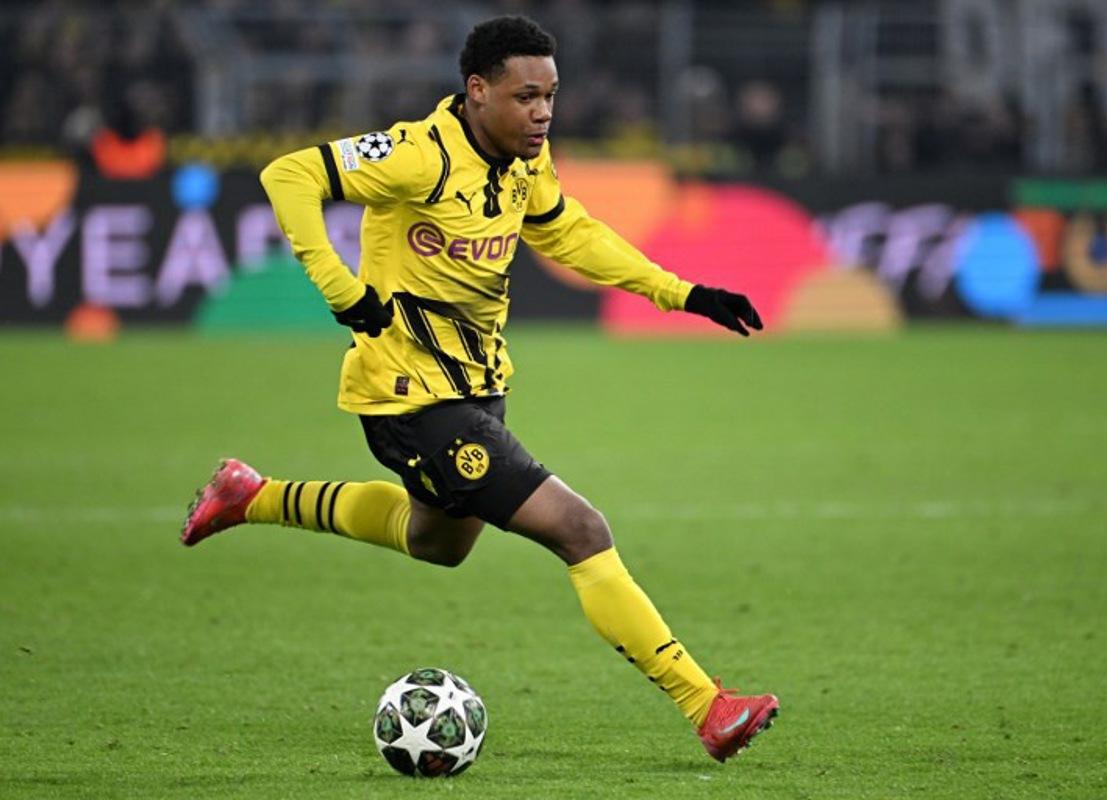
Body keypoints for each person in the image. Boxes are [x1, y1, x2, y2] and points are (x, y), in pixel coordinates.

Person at [181, 15, 776, 763]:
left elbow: (568, 233)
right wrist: (339, 285)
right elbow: (288, 175)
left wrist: (679, 292)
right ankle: (707, 705)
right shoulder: (416, 154)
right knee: (580, 530)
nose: (543, 112)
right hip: (410, 398)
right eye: (526, 96)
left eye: (551, 96)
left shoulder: (526, 161)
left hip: (474, 387)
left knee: (438, 543)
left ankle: (252, 495)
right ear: (477, 90)